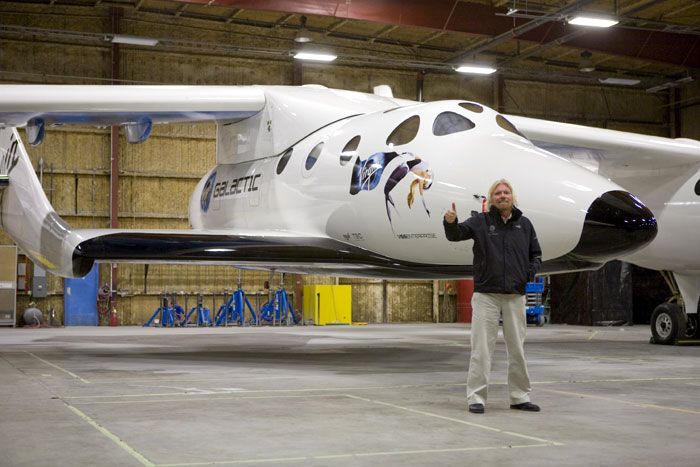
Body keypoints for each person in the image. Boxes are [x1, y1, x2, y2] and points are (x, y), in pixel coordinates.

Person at [443, 179, 542, 414]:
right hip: (486, 295)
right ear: (491, 199)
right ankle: (476, 397)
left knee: (517, 349)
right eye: (497, 193)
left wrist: (527, 275)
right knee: (481, 349)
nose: (502, 196)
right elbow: (456, 235)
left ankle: (520, 397)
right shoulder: (481, 222)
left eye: (506, 192)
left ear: (512, 197)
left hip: (515, 295)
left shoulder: (525, 225)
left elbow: (535, 256)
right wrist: (450, 222)